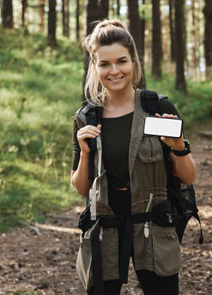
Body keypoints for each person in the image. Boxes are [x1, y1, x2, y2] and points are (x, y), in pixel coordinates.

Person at [71, 19, 196, 295]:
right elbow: (81, 188)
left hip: (154, 223)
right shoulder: (86, 117)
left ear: (133, 62)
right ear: (95, 67)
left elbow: (188, 176)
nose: (114, 71)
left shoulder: (157, 106)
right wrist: (85, 153)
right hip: (104, 224)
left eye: (121, 61)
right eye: (105, 64)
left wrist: (178, 145)